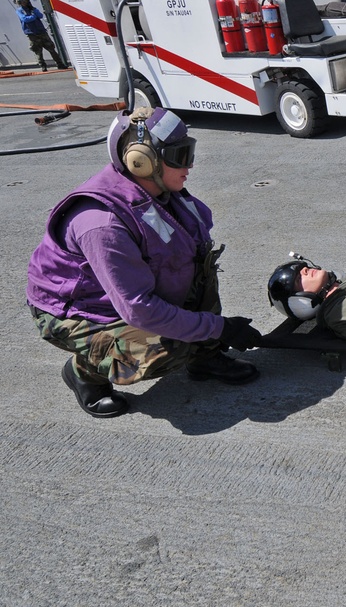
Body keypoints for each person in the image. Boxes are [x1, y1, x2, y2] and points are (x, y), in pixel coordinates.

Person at [26, 107, 263, 418]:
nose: (189, 165)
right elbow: (139, 308)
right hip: (77, 311)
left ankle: (204, 357)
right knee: (165, 350)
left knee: (198, 267)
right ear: (141, 161)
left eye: (189, 152)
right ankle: (84, 373)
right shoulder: (102, 223)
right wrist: (218, 327)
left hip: (121, 293)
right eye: (179, 155)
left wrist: (211, 333)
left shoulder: (158, 192)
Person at [16, 0, 69, 71]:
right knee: (38, 51)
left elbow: (40, 15)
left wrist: (33, 11)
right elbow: (25, 19)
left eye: (25, 1)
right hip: (32, 34)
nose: (24, 3)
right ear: (19, 3)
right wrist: (34, 16)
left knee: (51, 48)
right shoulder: (19, 10)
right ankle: (43, 66)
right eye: (22, 1)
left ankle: (59, 64)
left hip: (41, 32)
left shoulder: (32, 9)